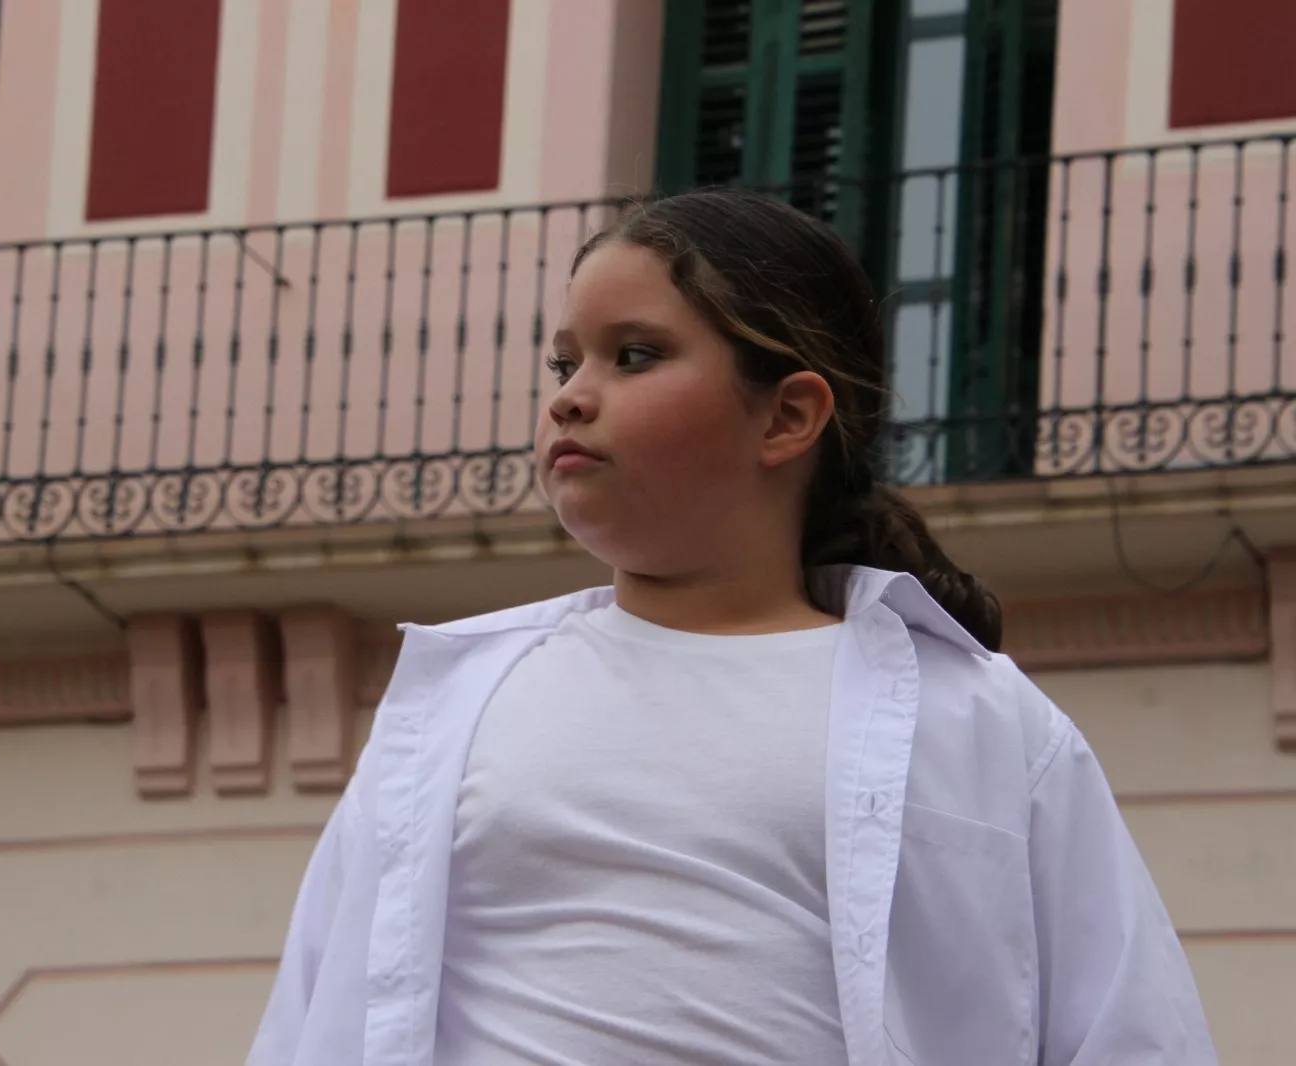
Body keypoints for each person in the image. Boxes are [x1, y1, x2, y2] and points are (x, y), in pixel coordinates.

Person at [247, 188, 1216, 1066]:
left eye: (633, 355)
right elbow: (310, 1014)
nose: (567, 395)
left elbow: (1130, 1031)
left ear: (786, 416)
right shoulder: (450, 707)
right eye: (563, 359)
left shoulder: (982, 721)